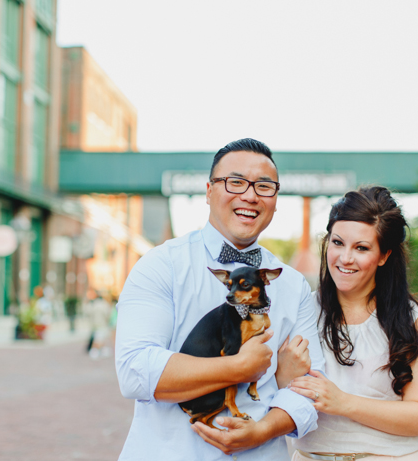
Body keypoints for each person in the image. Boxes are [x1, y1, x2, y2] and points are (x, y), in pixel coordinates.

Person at [115, 138, 326, 460]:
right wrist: (240, 366)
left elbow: (312, 388)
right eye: (235, 182)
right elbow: (135, 371)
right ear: (209, 190)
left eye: (264, 186)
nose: (250, 195)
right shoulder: (161, 265)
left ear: (276, 198)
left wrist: (265, 429)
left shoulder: (293, 285)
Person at [279, 187, 418, 460]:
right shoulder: (301, 311)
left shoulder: (408, 316)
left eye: (361, 248)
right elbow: (280, 403)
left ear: (384, 255)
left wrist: (343, 403)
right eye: (337, 242)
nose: (345, 258)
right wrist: (283, 375)